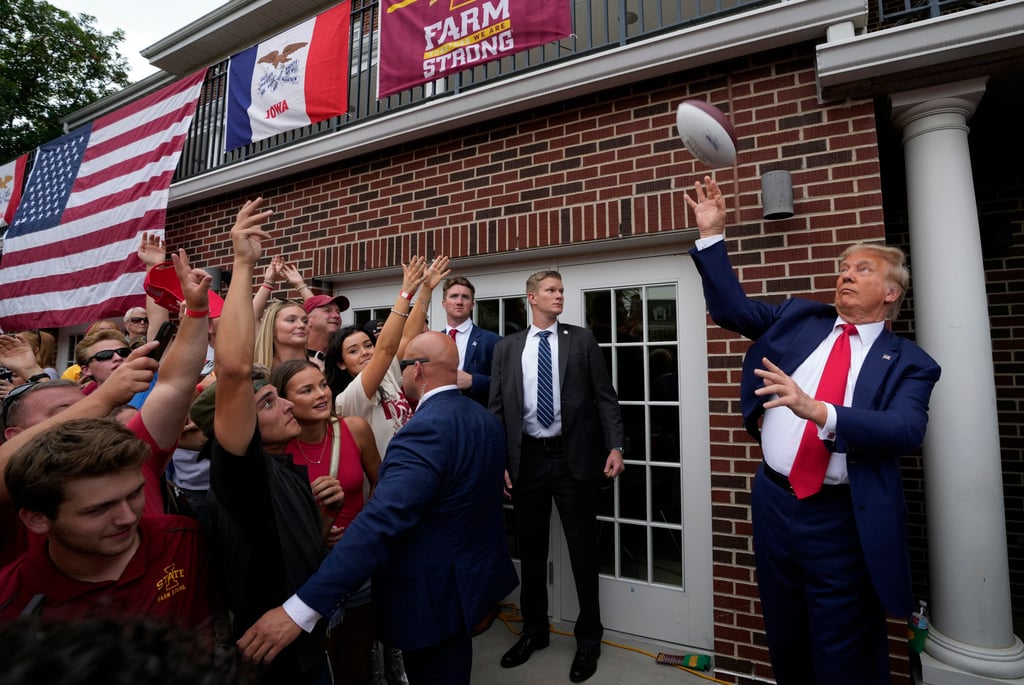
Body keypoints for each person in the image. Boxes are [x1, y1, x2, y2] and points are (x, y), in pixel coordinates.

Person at [683, 176, 941, 685]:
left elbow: (906, 429)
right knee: (785, 633)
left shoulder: (911, 362)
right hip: (775, 503)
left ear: (890, 292)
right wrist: (713, 234)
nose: (845, 276)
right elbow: (732, 311)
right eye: (842, 268)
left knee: (844, 646)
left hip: (841, 518)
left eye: (861, 269)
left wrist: (820, 411)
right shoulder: (800, 319)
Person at [237, 331, 519, 685]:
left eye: (402, 368)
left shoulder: (422, 432)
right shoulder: (484, 420)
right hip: (468, 584)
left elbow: (381, 522)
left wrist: (299, 610)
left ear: (416, 371)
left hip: (431, 593)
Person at [203, 196, 335, 685]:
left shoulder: (286, 465)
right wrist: (243, 264)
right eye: (268, 404)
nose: (285, 404)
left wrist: (322, 511)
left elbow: (299, 550)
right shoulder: (242, 473)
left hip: (308, 645)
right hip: (271, 658)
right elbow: (234, 371)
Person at [489, 269, 625, 683]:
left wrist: (616, 445)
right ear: (531, 298)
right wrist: (498, 463)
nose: (559, 295)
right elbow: (496, 408)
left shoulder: (580, 339)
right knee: (530, 553)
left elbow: (606, 396)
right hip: (527, 461)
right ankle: (535, 632)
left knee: (583, 552)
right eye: (550, 290)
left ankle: (589, 639)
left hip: (574, 461)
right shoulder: (508, 348)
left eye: (561, 290)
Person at [0, 418, 212, 630]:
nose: (128, 518)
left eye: (135, 494)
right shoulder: (9, 602)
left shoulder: (184, 539)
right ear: (37, 518)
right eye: (98, 509)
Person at [270, 358, 381, 684]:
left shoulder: (355, 428)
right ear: (284, 400)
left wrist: (363, 528)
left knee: (358, 659)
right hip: (308, 573)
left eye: (322, 384)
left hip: (357, 563)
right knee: (320, 658)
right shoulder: (277, 448)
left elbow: (381, 483)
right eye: (307, 390)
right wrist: (314, 529)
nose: (322, 394)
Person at [326, 255, 448, 460]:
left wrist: (426, 289)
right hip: (384, 480)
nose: (365, 352)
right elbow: (385, 350)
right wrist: (405, 293)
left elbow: (408, 336)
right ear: (340, 363)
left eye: (367, 345)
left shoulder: (387, 375)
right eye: (353, 351)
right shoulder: (349, 397)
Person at [441, 276, 500, 405]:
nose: (459, 302)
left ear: (472, 305)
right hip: (440, 416)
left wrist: (474, 381)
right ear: (444, 304)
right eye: (454, 296)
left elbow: (507, 383)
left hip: (476, 416)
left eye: (465, 297)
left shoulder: (493, 341)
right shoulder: (434, 342)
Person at [253, 300, 309, 370]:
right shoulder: (257, 373)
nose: (302, 325)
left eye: (305, 321)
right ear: (272, 328)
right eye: (291, 320)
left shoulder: (320, 368)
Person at [303, 295, 349, 367]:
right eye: (328, 310)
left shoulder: (344, 358)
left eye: (338, 312)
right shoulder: (295, 358)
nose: (336, 315)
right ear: (308, 320)